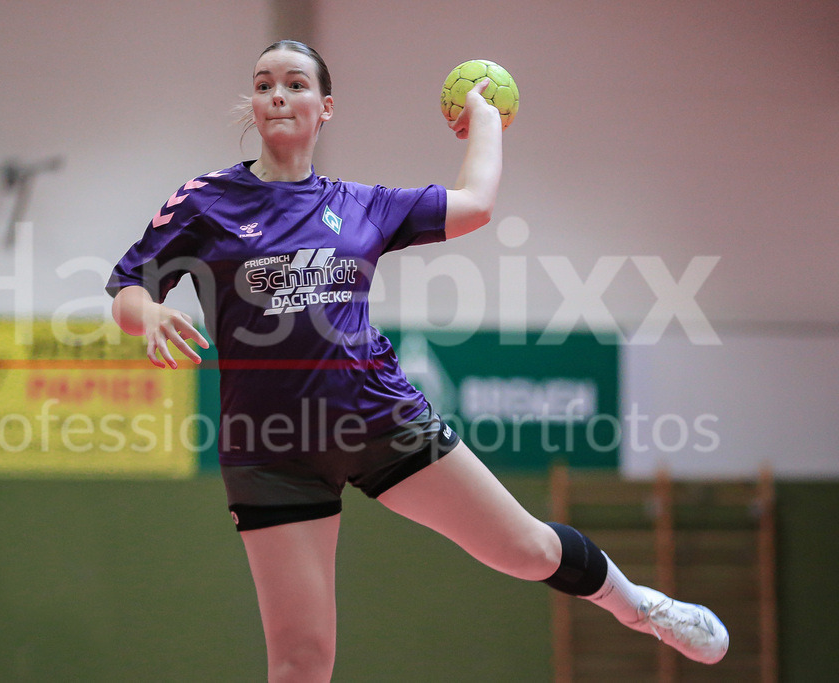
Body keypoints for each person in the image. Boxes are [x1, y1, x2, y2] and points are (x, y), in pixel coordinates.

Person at [107, 39, 729, 681]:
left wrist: (485, 122)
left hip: (380, 421)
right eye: (264, 84)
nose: (277, 96)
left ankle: (641, 608)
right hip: (269, 449)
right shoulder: (208, 199)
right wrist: (147, 311)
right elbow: (127, 282)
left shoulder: (363, 205)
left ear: (325, 108)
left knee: (527, 549)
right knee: (301, 660)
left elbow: (476, 204)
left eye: (294, 84)